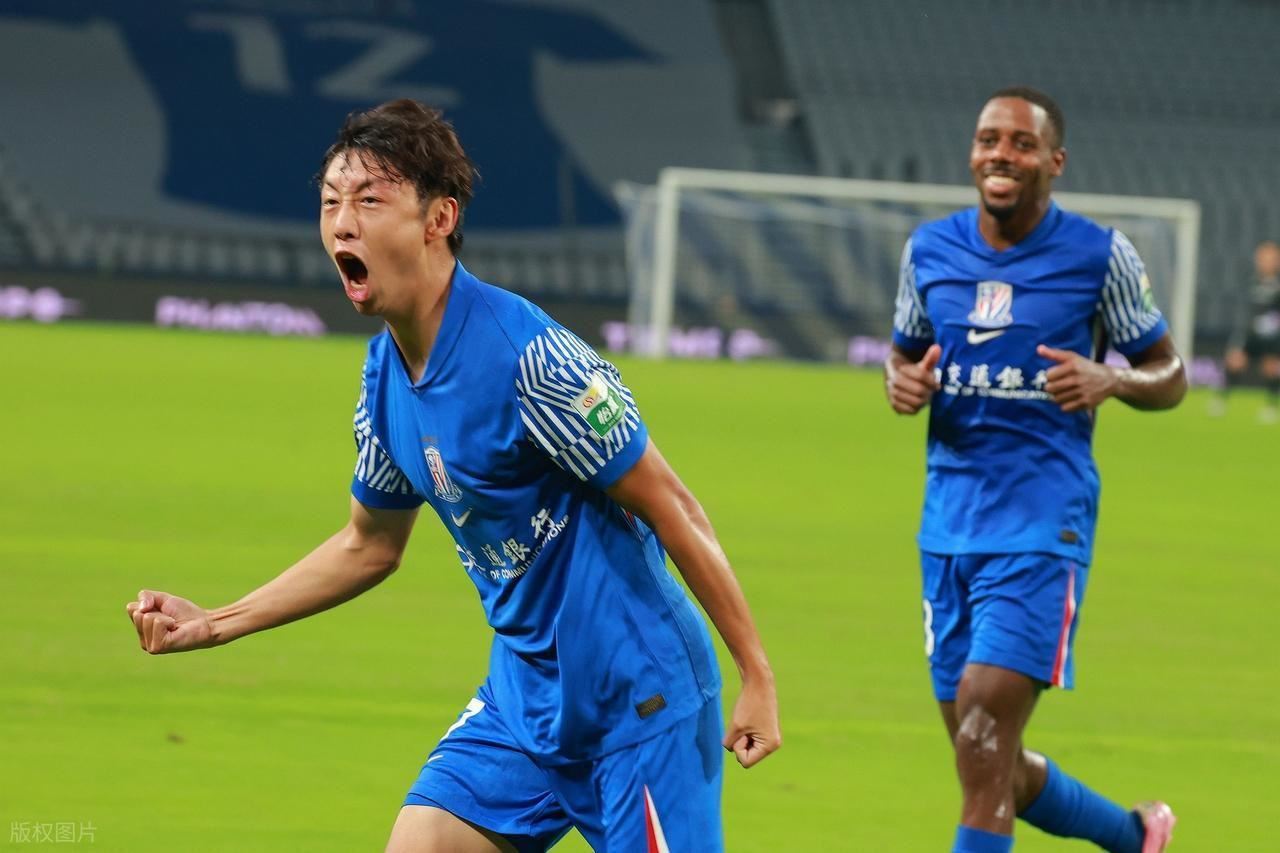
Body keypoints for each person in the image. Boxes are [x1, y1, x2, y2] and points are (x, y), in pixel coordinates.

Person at [126, 99, 780, 852]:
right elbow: (369, 545)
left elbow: (675, 507)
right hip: (525, 703)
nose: (342, 224)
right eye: (331, 202)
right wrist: (214, 623)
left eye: (370, 201)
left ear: (439, 218)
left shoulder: (534, 362)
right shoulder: (383, 379)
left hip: (640, 702)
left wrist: (755, 673)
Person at [883, 87, 1186, 853]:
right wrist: (901, 382)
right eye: (989, 139)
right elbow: (902, 352)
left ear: (1055, 161)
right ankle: (1135, 836)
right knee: (988, 759)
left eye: (1022, 143)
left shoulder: (1100, 256)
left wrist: (1113, 378)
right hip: (948, 526)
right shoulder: (929, 251)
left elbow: (1171, 372)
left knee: (984, 733)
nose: (1001, 155)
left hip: (1043, 526)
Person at [1212, 240, 1280, 422]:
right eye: (1262, 257)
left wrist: (1272, 321)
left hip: (1272, 335)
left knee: (1271, 367)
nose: (1265, 262)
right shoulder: (1251, 281)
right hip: (1250, 332)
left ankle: (1272, 406)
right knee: (1235, 361)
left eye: (1270, 258)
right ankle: (1221, 400)